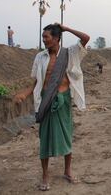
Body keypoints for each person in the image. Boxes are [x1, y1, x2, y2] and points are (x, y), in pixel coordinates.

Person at [14, 23, 89, 191]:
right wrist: (25, 94)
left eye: (46, 37)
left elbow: (85, 38)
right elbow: (36, 82)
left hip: (63, 102)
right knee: (45, 139)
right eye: (43, 37)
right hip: (45, 102)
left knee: (66, 135)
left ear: (56, 38)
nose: (44, 40)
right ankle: (45, 175)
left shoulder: (70, 54)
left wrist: (66, 28)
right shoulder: (40, 57)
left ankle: (67, 171)